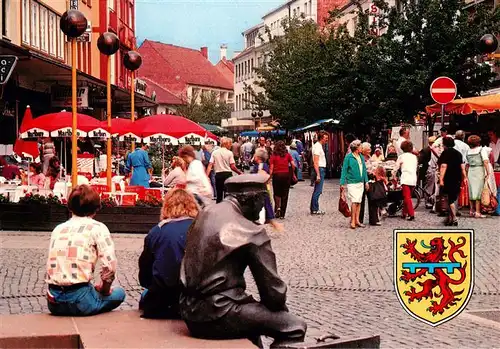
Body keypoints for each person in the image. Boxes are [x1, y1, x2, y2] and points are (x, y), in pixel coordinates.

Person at [179, 174, 307, 347]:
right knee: (294, 326)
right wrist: (278, 312)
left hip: (188, 310)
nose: (263, 208)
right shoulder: (250, 231)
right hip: (218, 313)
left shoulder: (205, 214)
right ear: (253, 200)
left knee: (254, 318)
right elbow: (274, 295)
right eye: (263, 202)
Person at [45, 185, 125, 316]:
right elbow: (110, 266)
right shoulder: (98, 228)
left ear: (70, 206)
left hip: (53, 300)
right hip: (80, 298)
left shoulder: (58, 229)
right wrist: (105, 289)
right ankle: (94, 300)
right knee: (119, 293)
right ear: (95, 208)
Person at [138, 189, 198, 319]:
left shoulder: (157, 231)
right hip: (194, 299)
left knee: (144, 295)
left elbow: (144, 275)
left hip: (162, 302)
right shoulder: (201, 228)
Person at [251, 148, 283, 232]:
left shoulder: (260, 166)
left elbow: (261, 176)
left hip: (259, 188)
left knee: (262, 204)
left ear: (258, 157)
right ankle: (270, 220)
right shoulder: (264, 165)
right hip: (264, 188)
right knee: (267, 203)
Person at [340, 140, 369, 229]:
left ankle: (357, 220)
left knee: (359, 201)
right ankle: (352, 221)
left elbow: (364, 169)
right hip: (352, 182)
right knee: (354, 201)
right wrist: (342, 183)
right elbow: (344, 170)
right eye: (360, 146)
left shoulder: (361, 156)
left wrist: (366, 181)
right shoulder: (349, 157)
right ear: (356, 148)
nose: (362, 148)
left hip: (360, 182)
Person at [438, 137, 467, 226]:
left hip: (448, 177)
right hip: (457, 177)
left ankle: (454, 218)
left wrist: (441, 179)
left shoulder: (445, 153)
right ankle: (450, 218)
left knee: (449, 199)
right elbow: (462, 167)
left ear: (445, 144)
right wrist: (464, 177)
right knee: (453, 197)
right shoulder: (458, 153)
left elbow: (443, 166)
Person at [206, 137, 242, 203]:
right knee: (227, 195)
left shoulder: (214, 153)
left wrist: (206, 176)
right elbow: (232, 166)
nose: (231, 145)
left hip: (218, 175)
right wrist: (239, 172)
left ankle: (219, 209)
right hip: (227, 175)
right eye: (230, 144)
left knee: (219, 195)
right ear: (226, 144)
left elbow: (210, 165)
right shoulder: (229, 153)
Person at [270, 141, 296, 219]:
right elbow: (293, 165)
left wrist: (269, 177)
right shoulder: (287, 155)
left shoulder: (273, 156)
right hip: (286, 175)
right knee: (285, 194)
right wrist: (292, 172)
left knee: (276, 193)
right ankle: (282, 214)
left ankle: (277, 207)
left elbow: (271, 168)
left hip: (276, 176)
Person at [393, 141, 418, 221]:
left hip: (406, 178)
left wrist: (393, 175)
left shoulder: (401, 157)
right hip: (413, 178)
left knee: (407, 197)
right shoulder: (414, 157)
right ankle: (404, 213)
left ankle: (411, 214)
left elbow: (396, 168)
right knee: (408, 197)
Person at [466, 135, 490, 218]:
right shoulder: (481, 150)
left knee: (471, 190)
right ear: (478, 142)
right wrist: (488, 172)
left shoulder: (468, 151)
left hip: (470, 171)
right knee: (478, 191)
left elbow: (467, 164)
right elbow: (486, 161)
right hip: (479, 170)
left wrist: (466, 174)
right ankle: (478, 212)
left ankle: (471, 210)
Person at [310, 131, 329, 215]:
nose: (327, 140)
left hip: (320, 169)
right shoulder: (317, 147)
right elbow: (316, 162)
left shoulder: (318, 146)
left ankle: (313, 207)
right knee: (318, 190)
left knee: (317, 190)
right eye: (326, 138)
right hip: (319, 169)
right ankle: (315, 208)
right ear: (321, 138)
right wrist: (318, 174)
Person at [423, 136, 437, 209]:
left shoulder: (427, 149)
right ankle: (428, 201)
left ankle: (431, 201)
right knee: (430, 186)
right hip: (430, 169)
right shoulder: (427, 150)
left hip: (431, 169)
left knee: (431, 186)